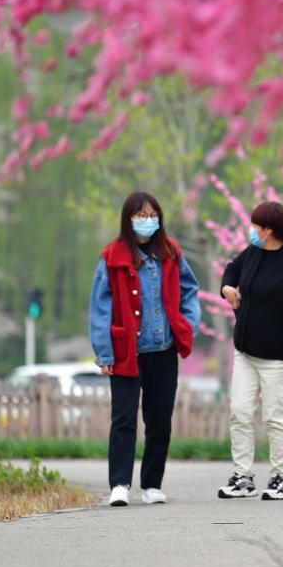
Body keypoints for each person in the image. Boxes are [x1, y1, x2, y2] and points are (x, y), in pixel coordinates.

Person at [89, 192, 201, 507]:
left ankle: (152, 484)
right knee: (123, 418)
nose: (148, 220)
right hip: (127, 350)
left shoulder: (171, 252)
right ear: (128, 219)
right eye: (141, 215)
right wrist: (105, 351)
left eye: (153, 214)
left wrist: (186, 323)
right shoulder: (112, 256)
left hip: (163, 350)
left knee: (160, 419)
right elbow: (100, 307)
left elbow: (190, 289)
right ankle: (120, 484)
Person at [217, 201, 283, 501]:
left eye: (256, 226)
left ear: (269, 230)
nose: (251, 231)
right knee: (241, 413)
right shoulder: (253, 253)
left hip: (278, 359)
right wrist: (227, 289)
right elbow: (231, 270)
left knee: (275, 417)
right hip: (245, 352)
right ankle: (243, 477)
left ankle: (280, 479)